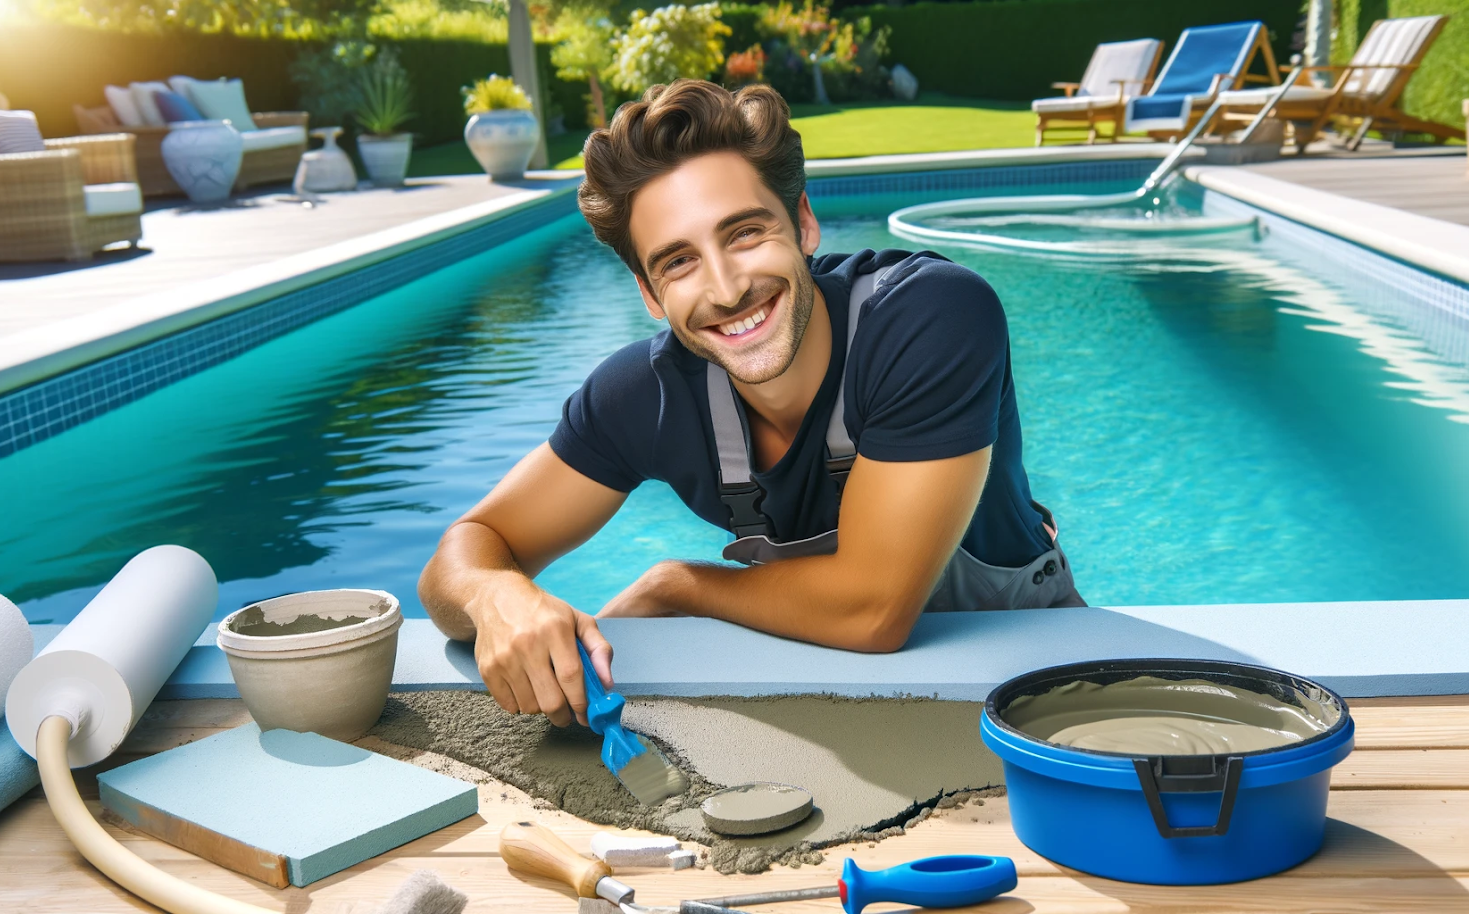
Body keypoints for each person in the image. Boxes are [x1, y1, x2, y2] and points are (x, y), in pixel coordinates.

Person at [419, 79, 1085, 727]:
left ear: (802, 225)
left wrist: (679, 586)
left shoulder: (929, 316)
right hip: (826, 698)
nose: (727, 287)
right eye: (678, 261)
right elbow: (466, 551)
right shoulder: (644, 394)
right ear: (650, 296)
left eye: (743, 234)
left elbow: (875, 612)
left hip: (1039, 687)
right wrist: (496, 593)